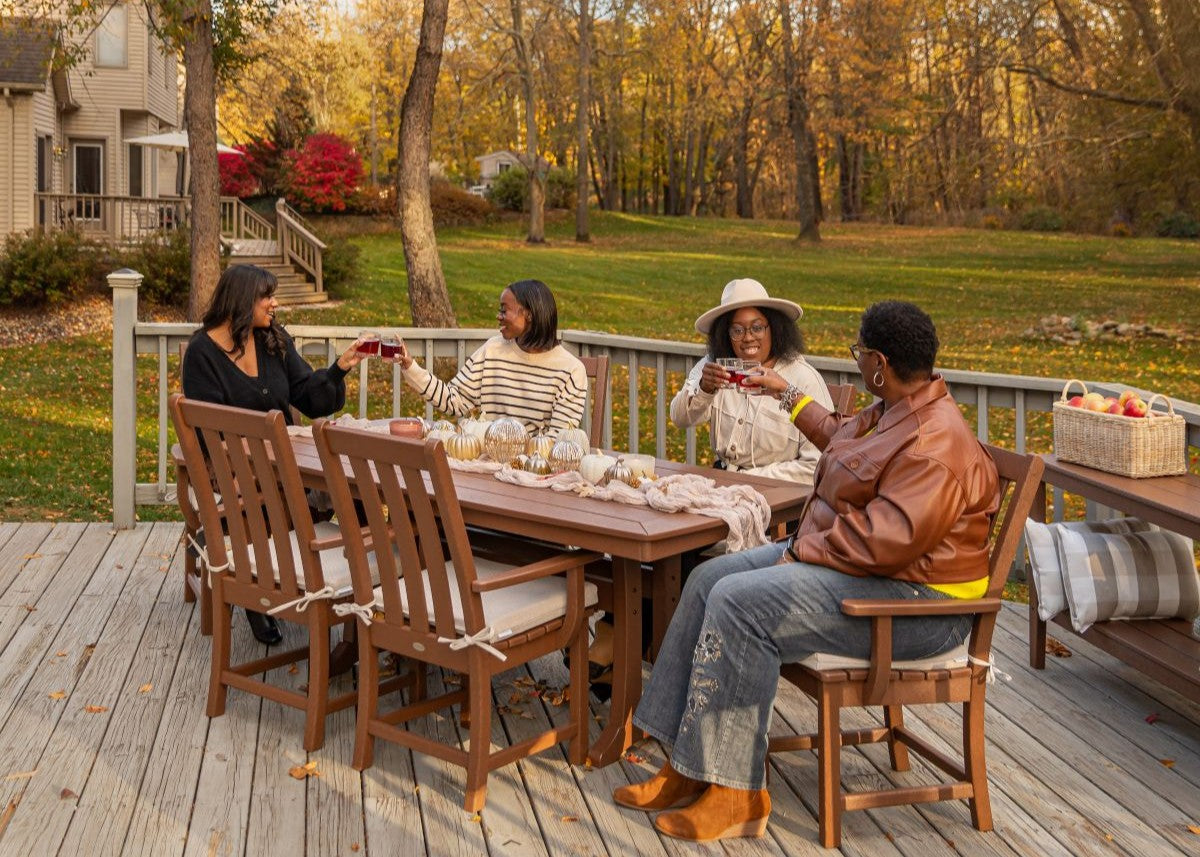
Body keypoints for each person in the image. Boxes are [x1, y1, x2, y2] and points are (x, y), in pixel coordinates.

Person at [612, 301, 1000, 843]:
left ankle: (735, 792)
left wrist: (802, 551)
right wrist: (784, 393)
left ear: (880, 363)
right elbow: (841, 437)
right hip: (864, 571)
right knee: (706, 582)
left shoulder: (936, 444)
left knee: (741, 603)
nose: (858, 361)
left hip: (916, 605)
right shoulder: (897, 408)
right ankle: (685, 761)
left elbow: (883, 544)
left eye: (859, 353)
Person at [182, 263, 366, 645]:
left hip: (286, 459)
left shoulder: (272, 338)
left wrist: (339, 368)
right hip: (230, 464)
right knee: (261, 496)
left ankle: (358, 592)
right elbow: (205, 429)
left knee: (355, 489)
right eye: (267, 296)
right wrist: (233, 473)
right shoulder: (202, 353)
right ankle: (258, 597)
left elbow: (308, 396)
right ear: (242, 300)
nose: (275, 303)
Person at [671, 277, 833, 486]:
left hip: (779, 501)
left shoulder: (802, 378)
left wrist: (749, 480)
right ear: (725, 334)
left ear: (774, 328)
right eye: (737, 330)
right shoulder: (715, 367)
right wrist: (704, 389)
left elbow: (817, 464)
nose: (747, 338)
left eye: (757, 328)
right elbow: (679, 418)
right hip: (720, 488)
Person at [394, 279, 588, 435]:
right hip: (486, 466)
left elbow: (559, 443)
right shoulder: (493, 349)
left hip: (534, 474)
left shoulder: (571, 370)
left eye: (504, 310)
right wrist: (410, 366)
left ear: (528, 314)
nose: (498, 316)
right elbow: (454, 402)